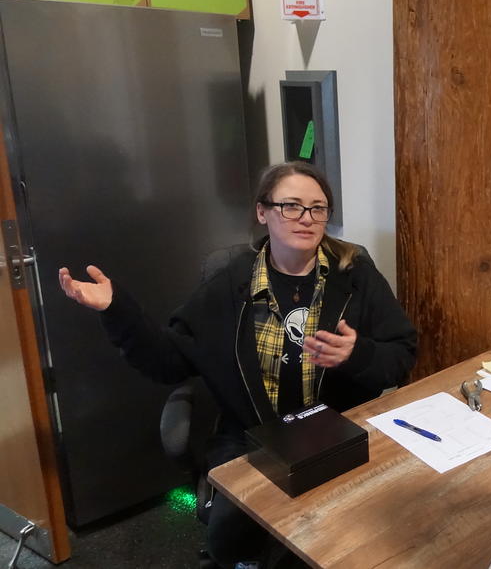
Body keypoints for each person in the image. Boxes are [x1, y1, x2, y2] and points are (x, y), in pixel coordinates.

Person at [59, 161, 417, 569]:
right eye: (292, 206)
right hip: (253, 439)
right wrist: (116, 310)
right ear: (262, 212)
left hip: (335, 435)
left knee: (364, 541)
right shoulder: (228, 287)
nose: (307, 218)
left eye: (319, 208)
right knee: (241, 542)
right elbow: (167, 363)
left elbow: (402, 354)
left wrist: (359, 354)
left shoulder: (355, 277)